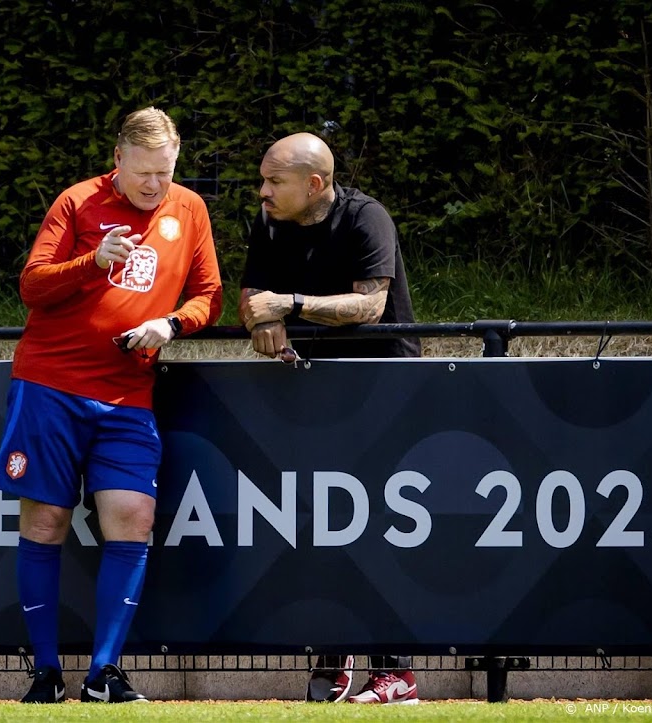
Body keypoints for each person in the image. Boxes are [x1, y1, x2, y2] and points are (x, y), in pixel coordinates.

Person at [0, 107, 223, 704]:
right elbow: (32, 285)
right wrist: (92, 261)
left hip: (128, 394)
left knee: (133, 519)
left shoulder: (189, 209)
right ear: (117, 159)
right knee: (45, 521)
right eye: (143, 173)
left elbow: (209, 296)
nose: (153, 185)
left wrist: (171, 325)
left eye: (165, 174)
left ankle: (104, 674)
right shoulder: (77, 203)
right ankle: (45, 674)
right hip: (51, 385)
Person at [239, 132, 420, 704]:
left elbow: (370, 305)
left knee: (380, 531)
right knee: (321, 527)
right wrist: (260, 318)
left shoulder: (369, 218)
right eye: (263, 180)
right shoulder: (268, 223)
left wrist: (287, 307)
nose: (262, 191)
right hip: (312, 393)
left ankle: (397, 673)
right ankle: (335, 655)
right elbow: (250, 295)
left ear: (314, 184)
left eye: (274, 181)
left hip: (382, 391)